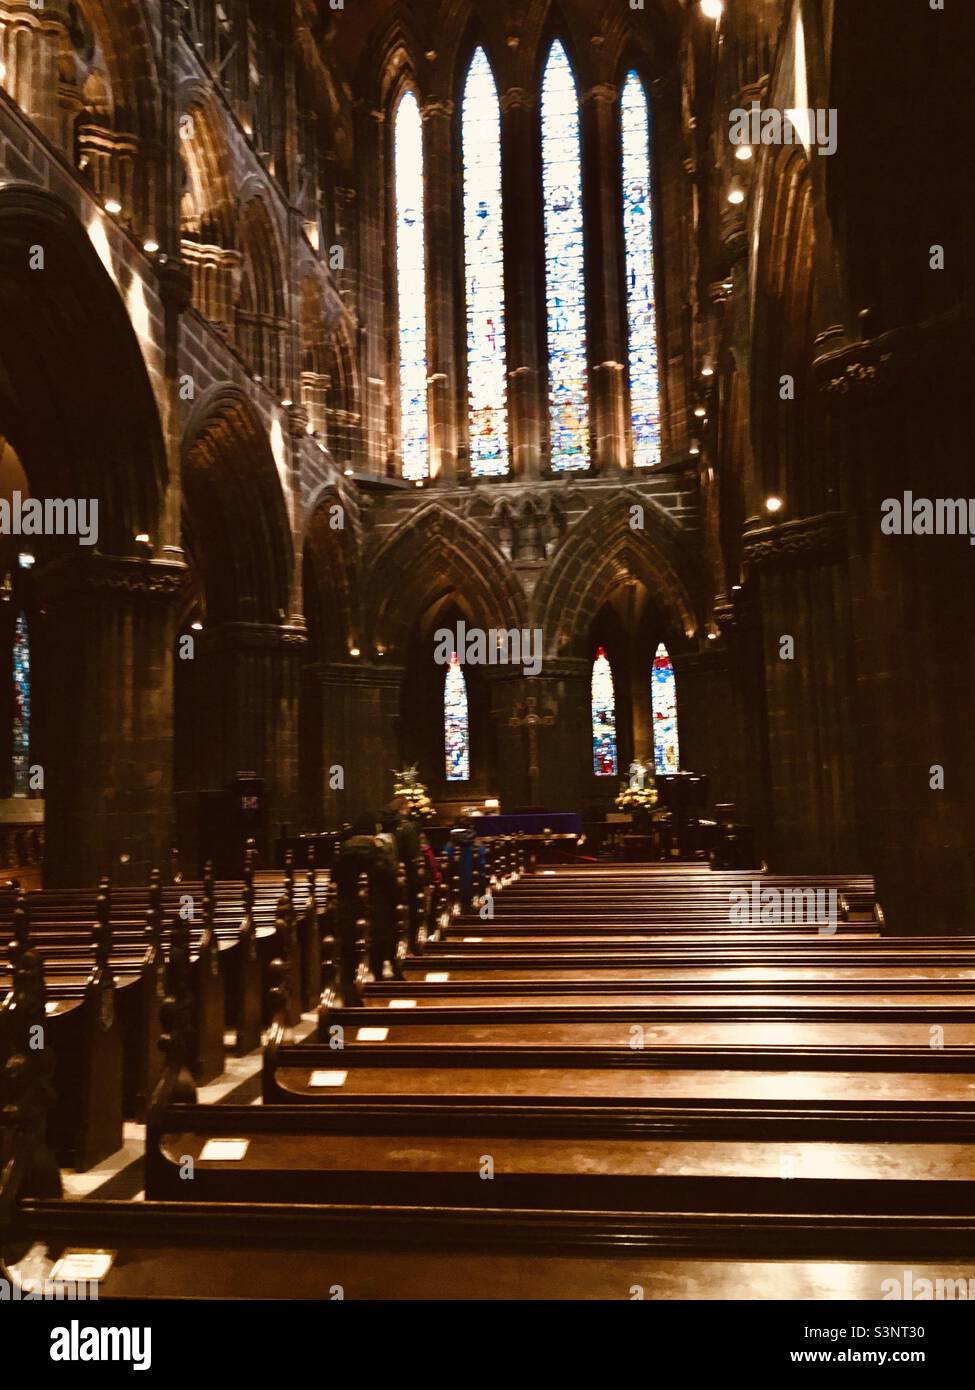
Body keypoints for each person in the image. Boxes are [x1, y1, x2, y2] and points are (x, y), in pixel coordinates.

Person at [331, 813, 397, 998]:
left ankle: (348, 991)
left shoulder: (344, 850)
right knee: (377, 942)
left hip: (348, 907)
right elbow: (388, 877)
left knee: (348, 951)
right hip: (375, 907)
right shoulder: (376, 850)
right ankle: (377, 982)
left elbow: (334, 879)